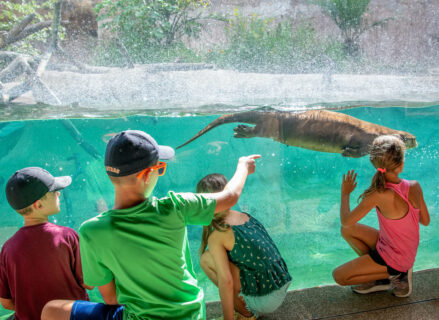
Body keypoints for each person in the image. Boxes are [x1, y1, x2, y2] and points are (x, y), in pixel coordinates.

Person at [41, 130, 260, 320]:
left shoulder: (91, 231)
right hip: (190, 315)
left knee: (52, 310)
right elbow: (230, 197)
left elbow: (111, 300)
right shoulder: (176, 207)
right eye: (160, 167)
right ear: (147, 174)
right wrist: (243, 166)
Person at [332, 135, 430, 297]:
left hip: (397, 259)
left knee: (339, 276)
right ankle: (383, 276)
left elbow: (346, 220)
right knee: (347, 231)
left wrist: (345, 193)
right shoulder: (415, 186)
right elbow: (425, 221)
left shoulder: (379, 193)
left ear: (375, 163)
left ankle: (394, 275)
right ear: (401, 165)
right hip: (400, 250)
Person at [198, 173, 291, 320]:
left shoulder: (218, 235)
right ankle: (250, 305)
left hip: (265, 299)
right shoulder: (245, 216)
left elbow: (226, 281)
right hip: (281, 285)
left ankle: (245, 314)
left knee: (206, 260)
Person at [0, 167, 90, 320]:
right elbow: (89, 283)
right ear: (38, 205)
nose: (58, 193)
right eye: (54, 191)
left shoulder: (7, 249)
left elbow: (6, 302)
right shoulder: (67, 236)